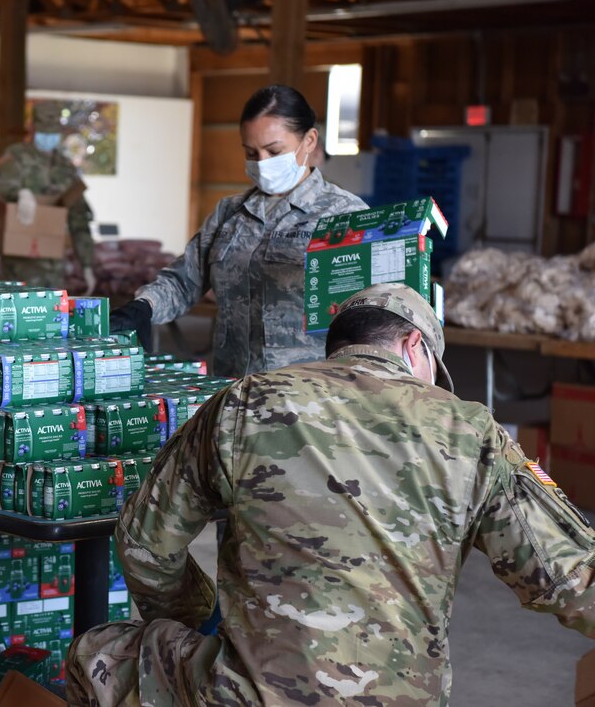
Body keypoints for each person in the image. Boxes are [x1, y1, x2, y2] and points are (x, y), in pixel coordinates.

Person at [68, 283, 595, 706]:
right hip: (406, 697)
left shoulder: (245, 403)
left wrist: (199, 616)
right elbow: (568, 578)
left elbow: (144, 545)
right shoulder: (471, 429)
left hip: (251, 694)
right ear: (415, 346)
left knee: (98, 652)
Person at [110, 85, 365, 369]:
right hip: (233, 389)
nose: (263, 163)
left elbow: (371, 312)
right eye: (251, 153)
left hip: (307, 397)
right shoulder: (230, 213)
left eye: (274, 151)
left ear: (309, 141)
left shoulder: (345, 215)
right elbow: (184, 280)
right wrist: (144, 306)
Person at [0, 101, 97, 293]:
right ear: (32, 129)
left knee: (52, 316)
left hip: (52, 260)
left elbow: (79, 218)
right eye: (44, 131)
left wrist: (87, 263)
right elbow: (4, 186)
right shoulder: (16, 156)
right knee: (20, 315)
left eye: (53, 133)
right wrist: (20, 194)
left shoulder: (66, 167)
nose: (48, 137)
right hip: (20, 257)